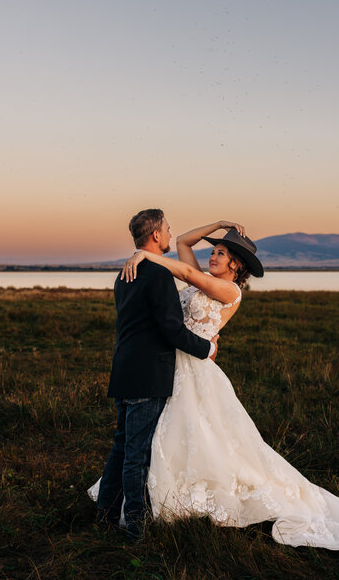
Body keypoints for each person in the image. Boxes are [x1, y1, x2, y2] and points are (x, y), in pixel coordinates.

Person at [114, 219, 339, 550]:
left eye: (220, 253)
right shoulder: (205, 278)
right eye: (215, 251)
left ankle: (183, 504)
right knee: (164, 435)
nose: (213, 256)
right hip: (169, 366)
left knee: (199, 437)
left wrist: (145, 256)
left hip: (195, 371)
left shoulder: (229, 290)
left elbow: (189, 275)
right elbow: (184, 245)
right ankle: (155, 502)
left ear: (236, 265)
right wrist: (219, 224)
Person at [89, 209, 218, 542]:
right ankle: (135, 526)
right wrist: (207, 349)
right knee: (136, 453)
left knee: (121, 447)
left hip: (124, 370)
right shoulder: (159, 275)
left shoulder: (125, 274)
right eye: (167, 228)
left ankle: (105, 514)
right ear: (156, 236)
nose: (170, 232)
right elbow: (172, 330)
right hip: (148, 375)